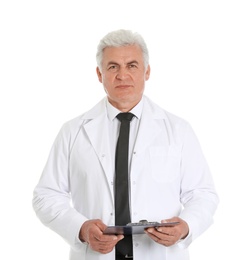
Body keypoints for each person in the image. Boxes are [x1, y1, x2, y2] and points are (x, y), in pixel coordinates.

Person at [32, 29, 219, 260]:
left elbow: (202, 193)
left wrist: (186, 227)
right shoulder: (73, 131)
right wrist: (81, 229)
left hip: (159, 254)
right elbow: (46, 195)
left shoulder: (178, 130)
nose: (122, 75)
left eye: (132, 65)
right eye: (112, 67)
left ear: (147, 71)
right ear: (99, 74)